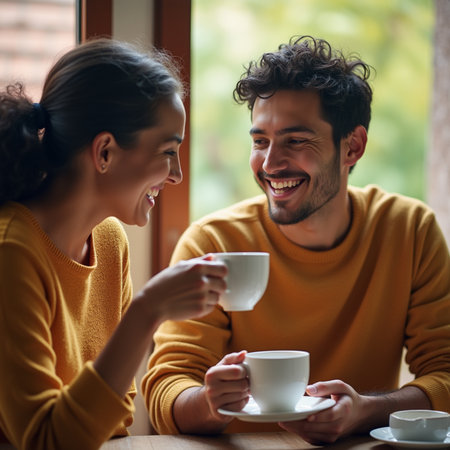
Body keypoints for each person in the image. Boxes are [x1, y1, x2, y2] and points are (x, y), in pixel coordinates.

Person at [142, 35, 450, 444]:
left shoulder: (408, 230)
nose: (270, 164)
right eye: (260, 141)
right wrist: (209, 401)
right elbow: (166, 393)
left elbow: (446, 373)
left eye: (296, 141)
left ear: (352, 147)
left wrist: (364, 411)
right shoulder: (213, 242)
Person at [0, 38, 227, 450]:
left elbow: (117, 413)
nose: (176, 174)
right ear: (105, 151)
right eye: (167, 151)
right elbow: (46, 441)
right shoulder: (11, 253)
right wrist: (148, 310)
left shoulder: (108, 240)